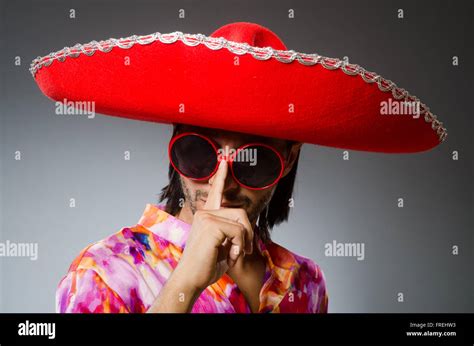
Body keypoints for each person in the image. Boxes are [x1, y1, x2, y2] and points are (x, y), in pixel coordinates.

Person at [31, 22, 446, 313]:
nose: (221, 184)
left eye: (254, 160)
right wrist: (184, 286)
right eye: (200, 153)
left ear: (290, 160)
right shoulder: (104, 274)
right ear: (173, 147)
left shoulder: (305, 281)